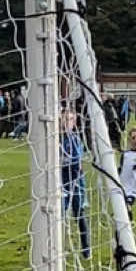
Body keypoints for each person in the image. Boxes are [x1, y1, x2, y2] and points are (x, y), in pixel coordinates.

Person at [60, 111, 91, 260]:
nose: (66, 122)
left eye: (69, 120)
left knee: (79, 215)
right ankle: (59, 248)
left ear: (74, 123)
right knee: (59, 215)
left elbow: (75, 159)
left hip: (76, 182)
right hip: (60, 182)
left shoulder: (75, 139)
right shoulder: (56, 139)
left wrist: (61, 161)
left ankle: (86, 250)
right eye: (64, 119)